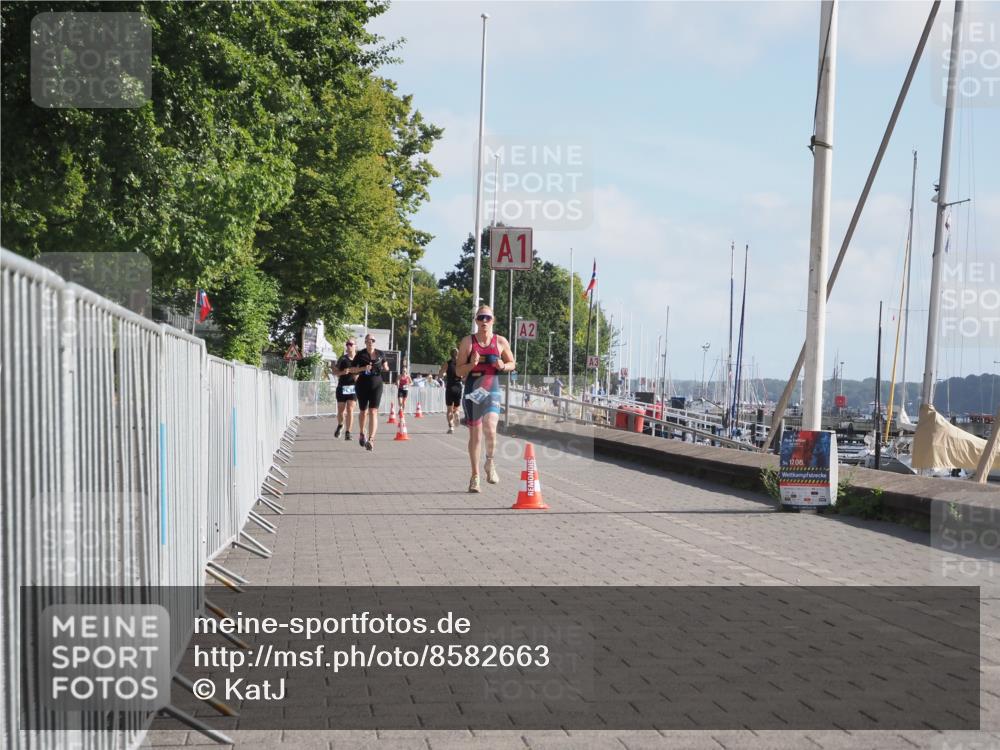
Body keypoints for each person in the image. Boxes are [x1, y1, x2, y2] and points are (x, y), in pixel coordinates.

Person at [456, 305, 515, 493]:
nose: (484, 321)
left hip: (492, 389)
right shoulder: (468, 342)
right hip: (473, 390)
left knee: (490, 427)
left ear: (493, 320)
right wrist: (471, 364)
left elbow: (512, 363)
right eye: (481, 317)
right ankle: (475, 476)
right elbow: (458, 371)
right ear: (476, 320)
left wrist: (503, 366)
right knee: (475, 435)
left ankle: (490, 462)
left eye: (487, 318)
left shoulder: (500, 341)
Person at [350, 334, 389, 451]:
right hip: (362, 384)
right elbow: (352, 369)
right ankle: (362, 433)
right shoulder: (360, 354)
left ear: (375, 342)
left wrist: (384, 368)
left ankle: (371, 439)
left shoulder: (380, 353)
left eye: (372, 340)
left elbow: (386, 367)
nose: (370, 342)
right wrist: (363, 368)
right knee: (363, 411)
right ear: (365, 342)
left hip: (376, 384)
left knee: (373, 411)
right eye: (368, 340)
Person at [333, 337, 358, 441]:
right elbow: (335, 372)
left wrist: (358, 376)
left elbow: (364, 371)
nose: (348, 346)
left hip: (353, 388)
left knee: (350, 409)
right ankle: (340, 425)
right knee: (340, 410)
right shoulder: (343, 358)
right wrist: (342, 372)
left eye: (350, 344)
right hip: (342, 387)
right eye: (347, 344)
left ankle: (348, 432)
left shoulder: (359, 359)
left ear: (355, 346)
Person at [439, 348, 463, 434]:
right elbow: (464, 376)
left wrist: (443, 375)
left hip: (450, 386)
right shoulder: (461, 363)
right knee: (456, 407)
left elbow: (440, 374)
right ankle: (457, 413)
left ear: (450, 354)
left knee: (449, 409)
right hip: (458, 386)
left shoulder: (448, 363)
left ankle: (451, 427)